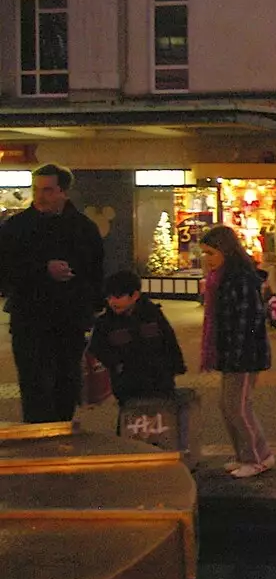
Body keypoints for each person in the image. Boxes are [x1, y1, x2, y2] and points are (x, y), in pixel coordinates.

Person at [0, 164, 106, 423]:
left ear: (64, 192)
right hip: (30, 321)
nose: (40, 196)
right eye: (36, 189)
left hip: (69, 320)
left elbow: (96, 271)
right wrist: (42, 270)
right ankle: (38, 443)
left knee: (66, 383)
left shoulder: (83, 228)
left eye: (48, 190)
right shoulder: (15, 228)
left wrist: (93, 310)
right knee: (35, 384)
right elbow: (4, 273)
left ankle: (61, 434)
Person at [198, 226, 275, 478]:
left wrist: (238, 354)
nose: (207, 259)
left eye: (211, 253)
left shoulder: (240, 279)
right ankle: (245, 455)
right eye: (204, 253)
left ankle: (258, 457)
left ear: (226, 251)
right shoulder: (220, 279)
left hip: (244, 355)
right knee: (227, 405)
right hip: (232, 352)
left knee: (238, 407)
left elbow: (248, 320)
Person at [89, 270, 187, 406]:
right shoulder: (105, 322)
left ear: (134, 295)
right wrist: (116, 364)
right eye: (109, 297)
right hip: (126, 382)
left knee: (161, 414)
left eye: (118, 296)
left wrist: (175, 366)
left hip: (159, 378)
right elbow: (97, 347)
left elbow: (168, 339)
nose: (112, 302)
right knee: (131, 417)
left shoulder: (152, 314)